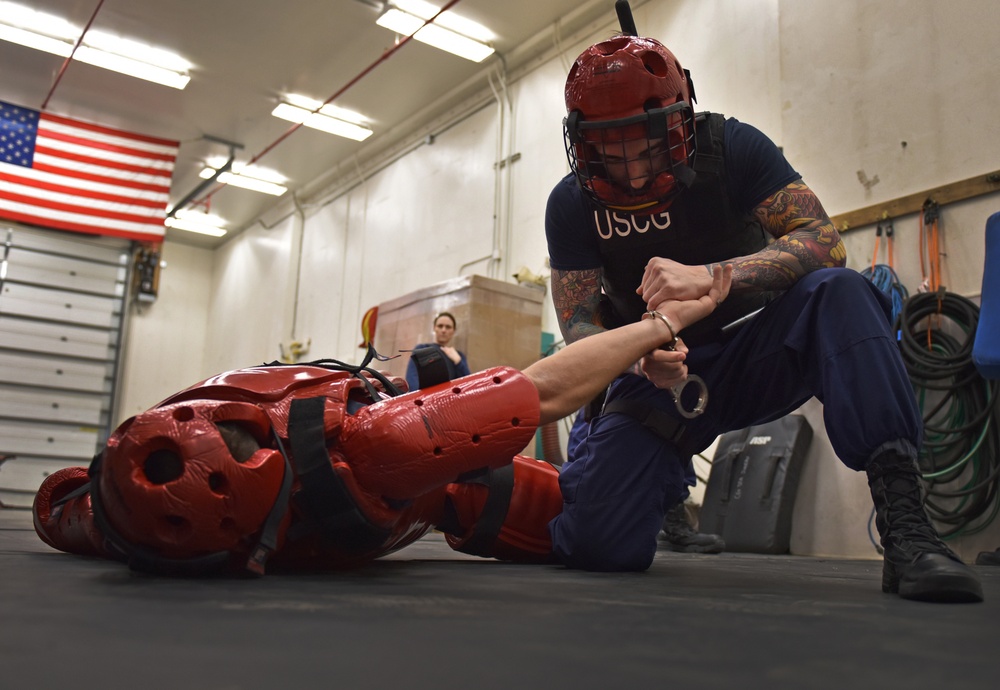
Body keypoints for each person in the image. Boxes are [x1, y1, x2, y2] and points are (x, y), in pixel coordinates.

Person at [544, 31, 983, 602]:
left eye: (643, 141)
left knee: (841, 292)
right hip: (660, 376)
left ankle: (909, 527)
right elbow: (577, 325)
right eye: (609, 146)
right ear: (583, 142)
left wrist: (713, 275)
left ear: (679, 122)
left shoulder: (733, 149)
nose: (628, 165)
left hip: (758, 347)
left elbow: (824, 241)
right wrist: (636, 357)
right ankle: (659, 483)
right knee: (597, 547)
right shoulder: (571, 204)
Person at [405, 312, 471, 391]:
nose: (443, 330)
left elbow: (467, 383)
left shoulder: (458, 356)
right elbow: (412, 377)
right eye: (440, 326)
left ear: (453, 331)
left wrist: (458, 361)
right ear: (434, 328)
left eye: (448, 327)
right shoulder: (422, 348)